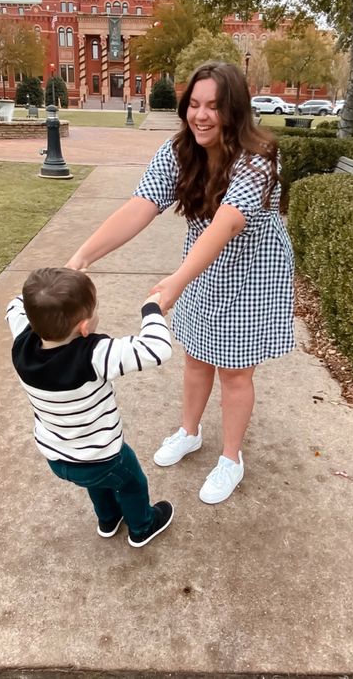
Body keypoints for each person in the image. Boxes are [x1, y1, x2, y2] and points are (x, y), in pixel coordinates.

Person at [66, 61, 295, 505]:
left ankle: (231, 458)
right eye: (194, 104)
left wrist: (175, 281)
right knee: (196, 357)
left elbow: (227, 224)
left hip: (253, 273)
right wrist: (82, 257)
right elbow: (141, 204)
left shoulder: (259, 157)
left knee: (234, 370)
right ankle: (189, 431)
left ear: (236, 111)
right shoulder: (179, 151)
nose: (201, 116)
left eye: (214, 106)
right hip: (203, 266)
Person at [6, 267, 174, 548]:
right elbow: (157, 349)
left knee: (96, 483)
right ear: (84, 327)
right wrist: (152, 309)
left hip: (58, 457)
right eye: (94, 310)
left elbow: (15, 303)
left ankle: (108, 519)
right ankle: (142, 527)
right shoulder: (95, 354)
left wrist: (55, 283)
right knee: (131, 483)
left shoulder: (22, 338)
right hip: (104, 456)